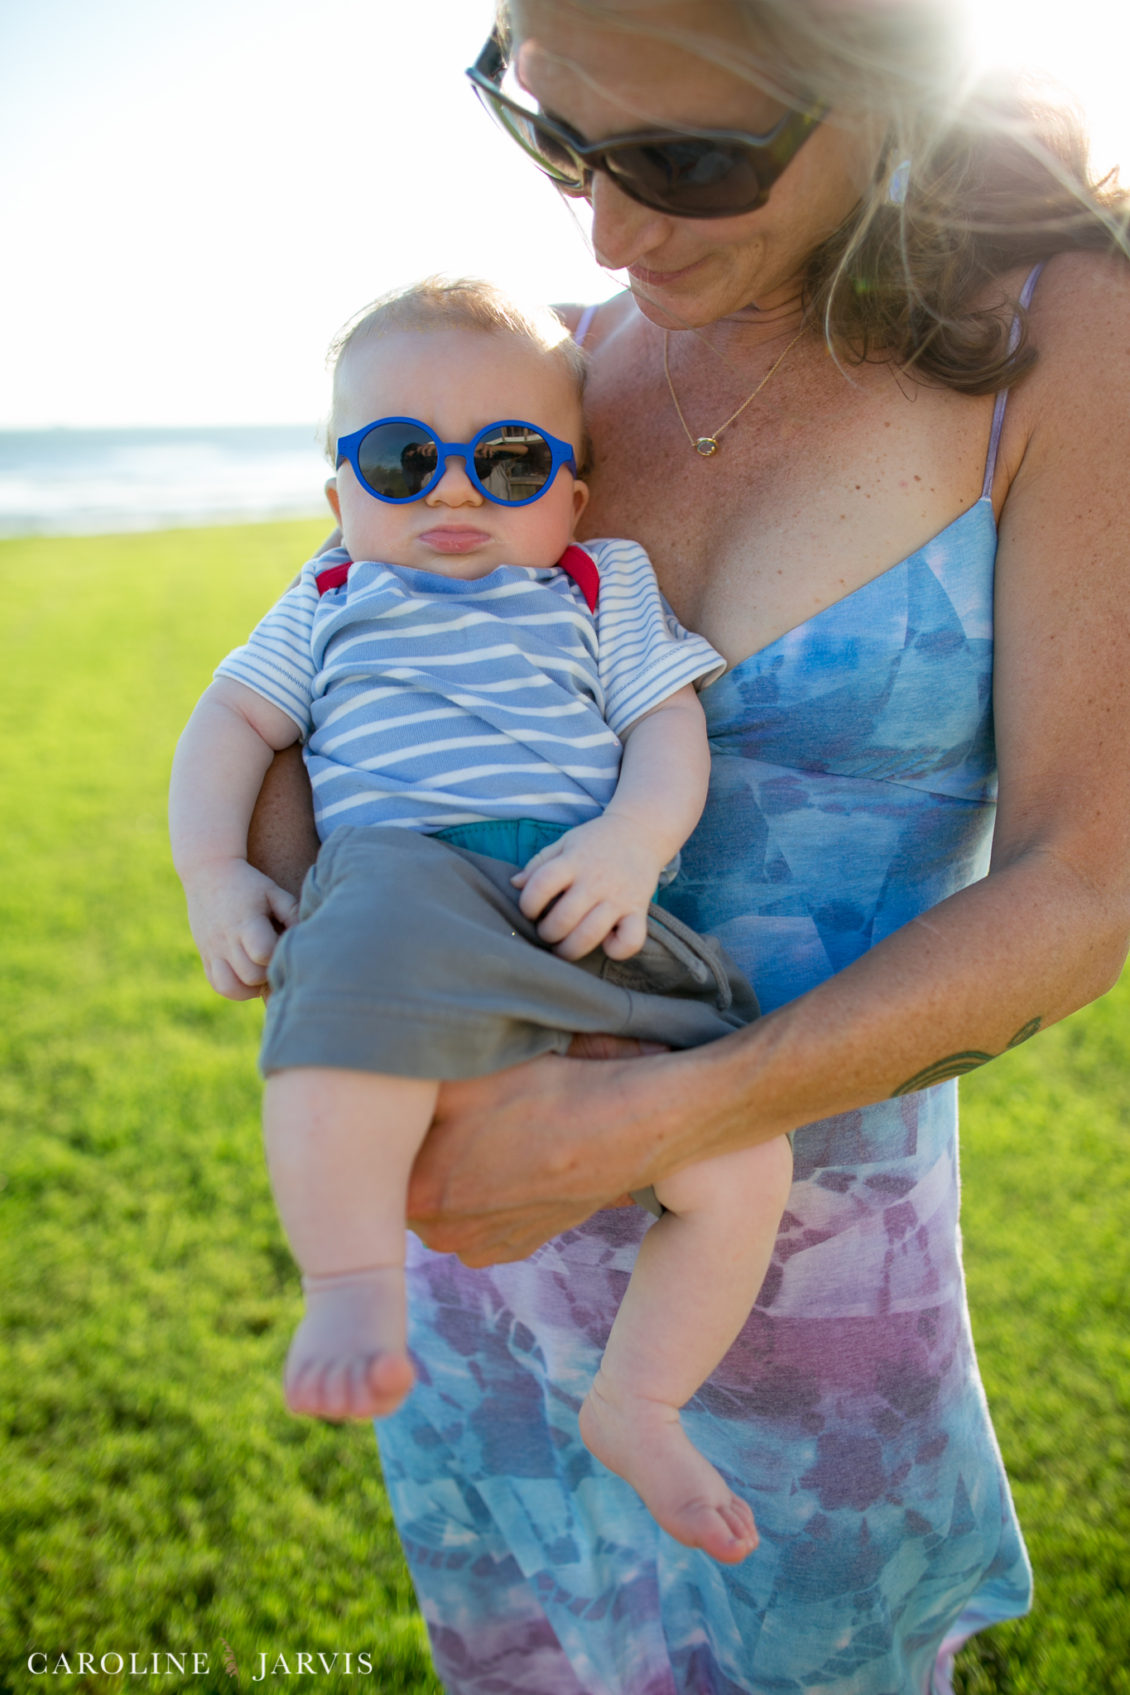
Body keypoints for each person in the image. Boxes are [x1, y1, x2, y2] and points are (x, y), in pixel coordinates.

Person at [247, 2, 1130, 1690]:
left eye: (684, 161)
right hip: (469, 1258)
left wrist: (649, 1118)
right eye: (553, 136)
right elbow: (315, 698)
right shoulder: (542, 376)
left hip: (795, 1273)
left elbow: (1081, 891)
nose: (603, 225)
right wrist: (316, 955)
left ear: (886, 93)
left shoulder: (1065, 335)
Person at [169, 277, 794, 1566]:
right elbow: (230, 726)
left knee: (743, 1153)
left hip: (577, 895)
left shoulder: (597, 581)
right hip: (408, 879)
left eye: (508, 462)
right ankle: (349, 1290)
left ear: (570, 492)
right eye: (402, 460)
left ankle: (642, 1399)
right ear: (340, 495)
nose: (452, 493)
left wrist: (634, 842)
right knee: (342, 1037)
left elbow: (663, 727)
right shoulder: (334, 592)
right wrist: (216, 879)